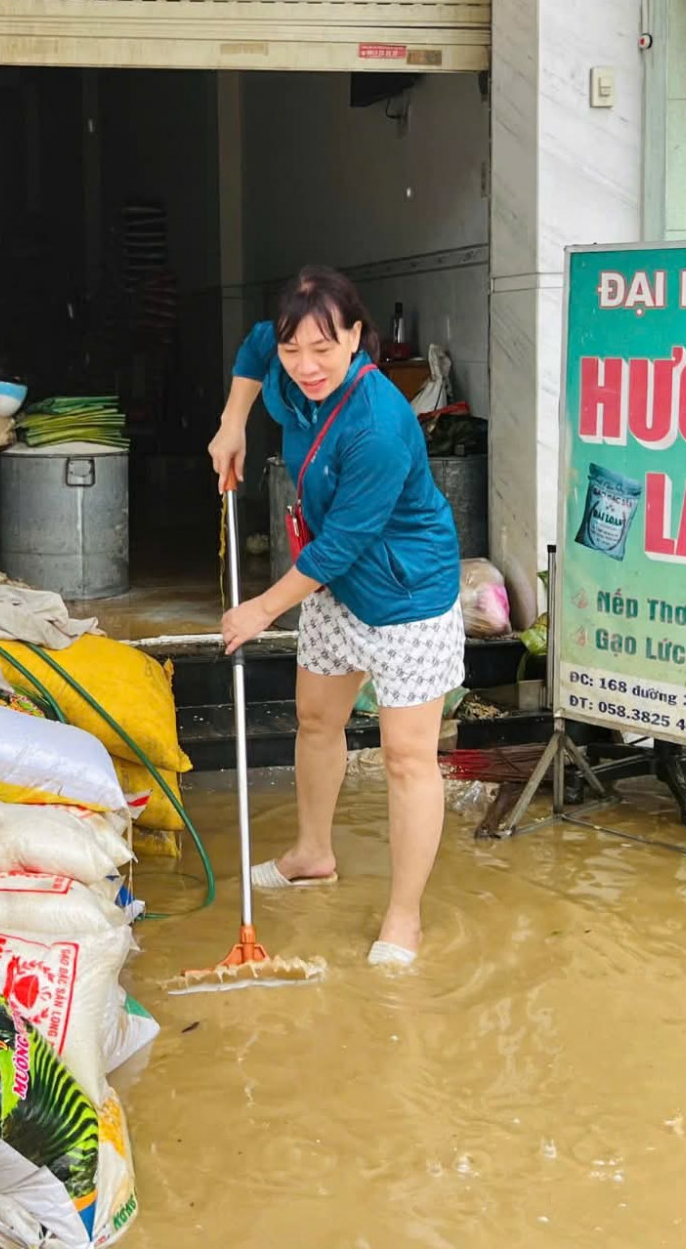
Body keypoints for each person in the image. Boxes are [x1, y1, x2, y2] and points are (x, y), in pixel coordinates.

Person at [207, 267, 463, 967]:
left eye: (323, 348)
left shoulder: (378, 424)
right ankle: (311, 854)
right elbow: (255, 348)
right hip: (335, 589)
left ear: (355, 336)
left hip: (406, 597)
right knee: (317, 720)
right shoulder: (289, 371)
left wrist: (260, 610)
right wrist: (233, 423)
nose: (306, 365)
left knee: (407, 757)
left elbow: (342, 543)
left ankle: (404, 917)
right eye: (295, 350)